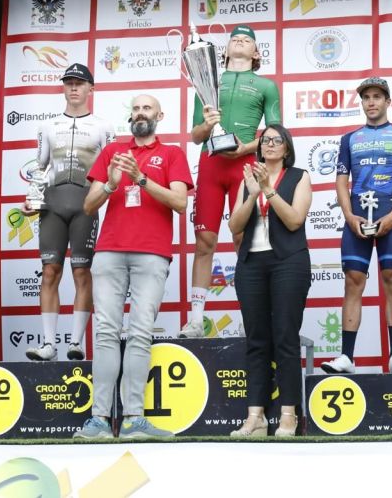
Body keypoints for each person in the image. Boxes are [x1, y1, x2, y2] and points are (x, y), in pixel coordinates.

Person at [76, 94, 193, 439]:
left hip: (152, 253)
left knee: (140, 333)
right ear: (131, 116)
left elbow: (180, 202)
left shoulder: (171, 153)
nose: (141, 113)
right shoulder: (113, 151)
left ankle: (133, 419)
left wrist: (141, 178)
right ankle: (99, 419)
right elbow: (88, 206)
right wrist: (112, 183)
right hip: (109, 251)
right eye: (137, 109)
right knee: (106, 333)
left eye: (147, 108)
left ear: (160, 115)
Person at [181, 24, 281, 338]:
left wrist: (246, 148)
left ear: (256, 52)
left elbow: (276, 133)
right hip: (211, 165)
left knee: (244, 241)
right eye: (234, 38)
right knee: (204, 241)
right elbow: (196, 135)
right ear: (224, 51)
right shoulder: (207, 81)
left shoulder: (266, 85)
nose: (239, 40)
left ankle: (251, 320)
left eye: (247, 39)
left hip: (245, 167)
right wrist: (208, 124)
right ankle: (196, 320)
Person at [322, 77, 392, 375]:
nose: (371, 102)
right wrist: (349, 215)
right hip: (357, 212)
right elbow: (341, 181)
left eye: (377, 96)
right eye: (366, 97)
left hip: (390, 210)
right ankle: (346, 357)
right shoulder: (349, 139)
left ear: (388, 101)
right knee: (353, 280)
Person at [23, 63, 114, 362]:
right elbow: (39, 168)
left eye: (79, 83)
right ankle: (49, 345)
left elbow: (110, 169)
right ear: (63, 88)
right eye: (68, 83)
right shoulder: (47, 126)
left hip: (86, 204)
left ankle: (76, 342)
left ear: (91, 89)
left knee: (81, 271)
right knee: (50, 271)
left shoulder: (103, 126)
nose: (73, 88)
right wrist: (32, 198)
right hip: (53, 204)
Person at [227, 124, 312, 438]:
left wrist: (268, 190)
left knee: (286, 338)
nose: (270, 144)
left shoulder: (299, 177)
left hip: (288, 261)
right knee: (256, 341)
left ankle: (288, 415)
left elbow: (294, 220)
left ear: (287, 148)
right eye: (265, 140)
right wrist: (252, 193)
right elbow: (235, 226)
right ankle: (256, 417)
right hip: (252, 262)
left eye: (277, 140)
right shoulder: (248, 177)